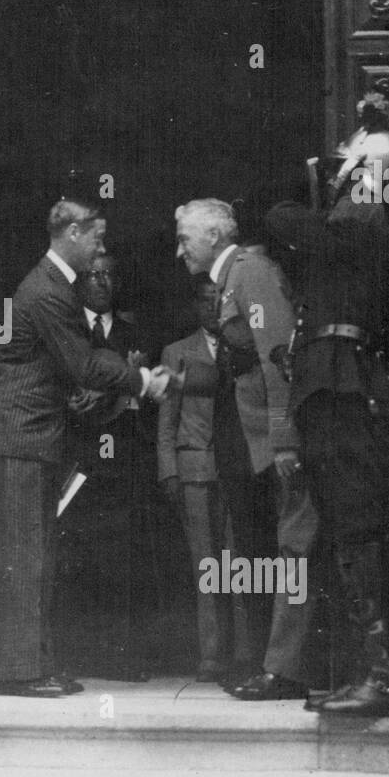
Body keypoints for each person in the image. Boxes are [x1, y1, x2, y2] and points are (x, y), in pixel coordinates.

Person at [0, 197, 170, 698]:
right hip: (20, 437)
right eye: (97, 239)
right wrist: (142, 380)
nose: (101, 249)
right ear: (74, 233)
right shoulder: (46, 291)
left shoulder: (51, 285)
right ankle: (21, 673)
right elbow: (82, 365)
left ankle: (35, 665)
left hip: (31, 437)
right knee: (22, 556)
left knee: (34, 555)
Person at [266, 168, 389, 716]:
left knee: (355, 527)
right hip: (328, 389)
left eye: (355, 192)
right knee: (344, 528)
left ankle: (380, 675)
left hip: (346, 392)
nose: (346, 199)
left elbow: (281, 217)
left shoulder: (366, 233)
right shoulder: (340, 243)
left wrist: (344, 189)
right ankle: (365, 671)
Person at [176, 198, 320, 701]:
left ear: (214, 236)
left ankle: (286, 668)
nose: (179, 251)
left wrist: (283, 438)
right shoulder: (232, 276)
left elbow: (277, 358)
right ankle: (267, 661)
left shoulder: (251, 272)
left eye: (185, 238)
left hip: (269, 439)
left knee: (290, 548)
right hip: (247, 435)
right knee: (262, 550)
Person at [56, 253, 159, 680]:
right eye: (93, 274)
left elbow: (146, 389)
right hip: (76, 455)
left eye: (108, 274)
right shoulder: (66, 328)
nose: (101, 281)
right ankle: (75, 654)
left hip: (123, 455)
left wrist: (120, 389)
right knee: (74, 554)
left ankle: (121, 655)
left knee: (122, 555)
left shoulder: (136, 332)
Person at [157, 274, 244, 683]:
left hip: (234, 468)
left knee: (238, 561)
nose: (212, 308)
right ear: (196, 306)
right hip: (193, 470)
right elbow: (166, 420)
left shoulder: (239, 347)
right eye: (205, 301)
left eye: (218, 300)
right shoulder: (177, 352)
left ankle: (245, 651)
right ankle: (212, 656)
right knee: (206, 564)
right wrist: (169, 470)